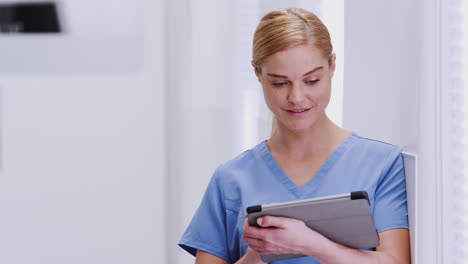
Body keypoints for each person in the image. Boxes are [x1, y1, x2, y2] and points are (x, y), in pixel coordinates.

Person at [178, 7, 410, 264]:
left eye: (311, 80)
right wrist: (257, 255)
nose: (296, 97)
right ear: (257, 73)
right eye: (280, 83)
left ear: (332, 65)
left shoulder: (381, 165)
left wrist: (308, 243)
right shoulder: (231, 179)